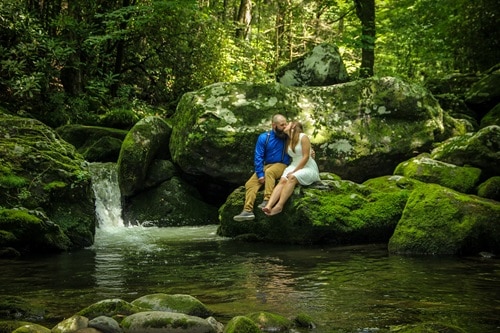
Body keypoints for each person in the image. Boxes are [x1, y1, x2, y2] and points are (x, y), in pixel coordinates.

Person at [233, 114, 291, 221]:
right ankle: (247, 211)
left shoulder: (288, 135)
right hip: (267, 165)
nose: (284, 126)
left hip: (282, 165)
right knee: (249, 184)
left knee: (270, 172)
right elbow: (258, 156)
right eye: (282, 125)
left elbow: (301, 141)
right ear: (274, 125)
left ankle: (267, 200)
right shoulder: (264, 137)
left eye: (286, 124)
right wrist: (260, 174)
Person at [262, 121, 320, 216]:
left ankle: (279, 206)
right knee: (282, 181)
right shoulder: (288, 139)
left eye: (287, 124)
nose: (285, 126)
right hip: (294, 164)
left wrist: (295, 171)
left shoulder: (303, 137)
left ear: (293, 126)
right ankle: (269, 206)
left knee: (292, 177)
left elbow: (306, 157)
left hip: (307, 166)